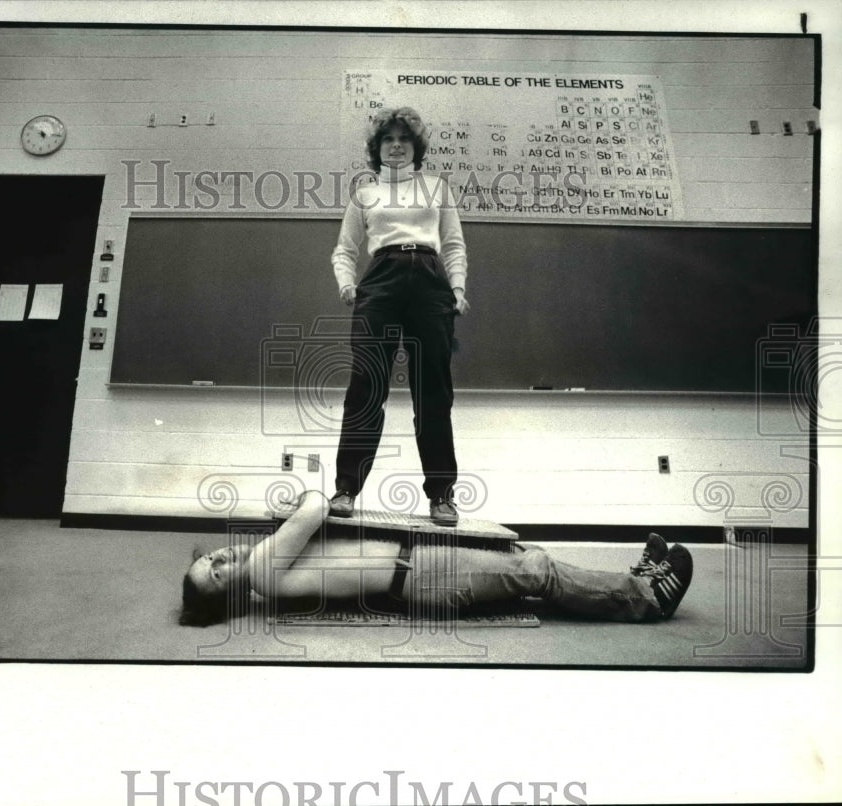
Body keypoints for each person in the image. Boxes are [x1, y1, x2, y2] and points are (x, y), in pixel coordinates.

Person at [179, 491, 694, 628]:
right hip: (421, 577)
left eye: (211, 561)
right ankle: (646, 598)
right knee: (533, 568)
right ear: (229, 594)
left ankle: (631, 579)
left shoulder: (267, 561)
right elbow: (315, 504)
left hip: (418, 563)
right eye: (217, 574)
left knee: (518, 557)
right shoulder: (265, 571)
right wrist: (296, 506)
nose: (222, 559)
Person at [330, 107, 469, 526]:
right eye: (387, 140)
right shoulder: (365, 194)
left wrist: (458, 289)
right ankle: (346, 489)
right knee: (366, 386)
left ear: (415, 147)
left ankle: (442, 496)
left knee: (433, 392)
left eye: (403, 140)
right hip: (382, 281)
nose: (395, 145)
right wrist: (346, 283)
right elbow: (345, 250)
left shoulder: (437, 187)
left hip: (429, 282)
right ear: (377, 149)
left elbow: (454, 244)